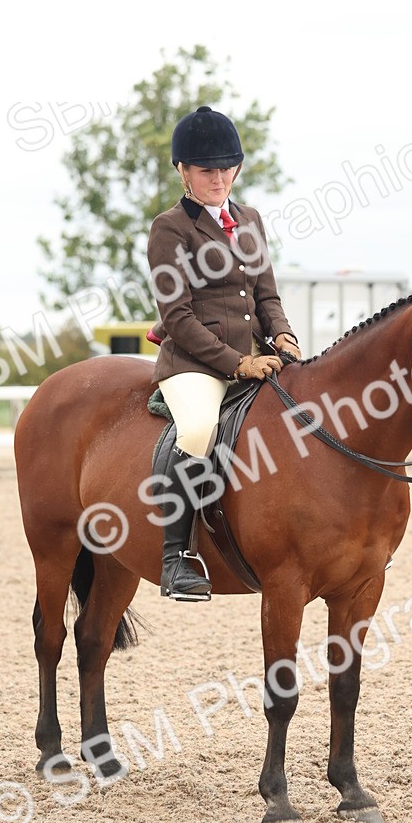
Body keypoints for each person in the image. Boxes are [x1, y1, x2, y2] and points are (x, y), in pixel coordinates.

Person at [148, 105, 301, 601]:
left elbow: (266, 296)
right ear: (183, 172)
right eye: (206, 171)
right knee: (197, 430)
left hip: (257, 355)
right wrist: (237, 363)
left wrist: (283, 336)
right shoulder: (170, 229)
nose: (218, 179)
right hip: (195, 363)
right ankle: (177, 557)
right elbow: (177, 316)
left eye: (225, 169)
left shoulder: (249, 219)